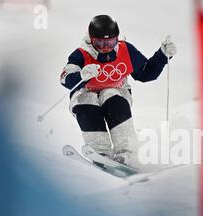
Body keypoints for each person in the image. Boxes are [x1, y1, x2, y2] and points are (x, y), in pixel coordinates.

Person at [60, 14, 176, 166]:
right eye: (99, 43)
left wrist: (162, 55)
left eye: (110, 42)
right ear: (91, 39)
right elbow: (65, 78)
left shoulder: (126, 50)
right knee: (87, 102)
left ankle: (126, 152)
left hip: (117, 90)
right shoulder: (81, 54)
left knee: (112, 96)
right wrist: (80, 76)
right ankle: (100, 152)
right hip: (86, 92)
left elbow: (146, 73)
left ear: (117, 39)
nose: (105, 48)